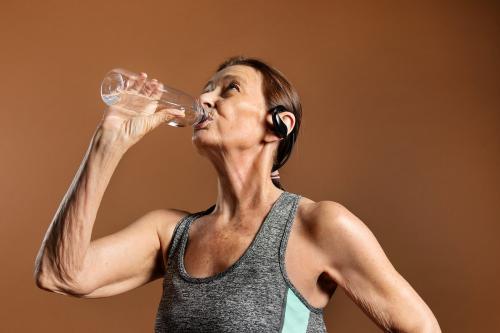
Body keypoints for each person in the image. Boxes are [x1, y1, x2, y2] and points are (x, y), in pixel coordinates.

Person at [34, 56, 441, 332]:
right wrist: (108, 143)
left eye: (229, 89)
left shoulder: (316, 225)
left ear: (278, 124)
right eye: (207, 89)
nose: (205, 99)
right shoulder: (171, 233)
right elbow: (60, 273)